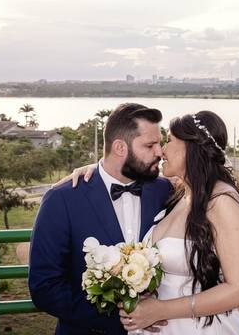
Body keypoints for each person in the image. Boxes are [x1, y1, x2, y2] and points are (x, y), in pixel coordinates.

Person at [65, 110, 239, 334]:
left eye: (170, 140)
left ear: (191, 148)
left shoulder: (222, 201)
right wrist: (94, 172)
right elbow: (112, 174)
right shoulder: (181, 193)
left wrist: (162, 310)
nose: (162, 149)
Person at [28, 103, 173, 334]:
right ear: (119, 147)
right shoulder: (62, 199)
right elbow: (44, 287)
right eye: (150, 145)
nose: (160, 152)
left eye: (160, 143)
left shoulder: (166, 191)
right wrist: (122, 319)